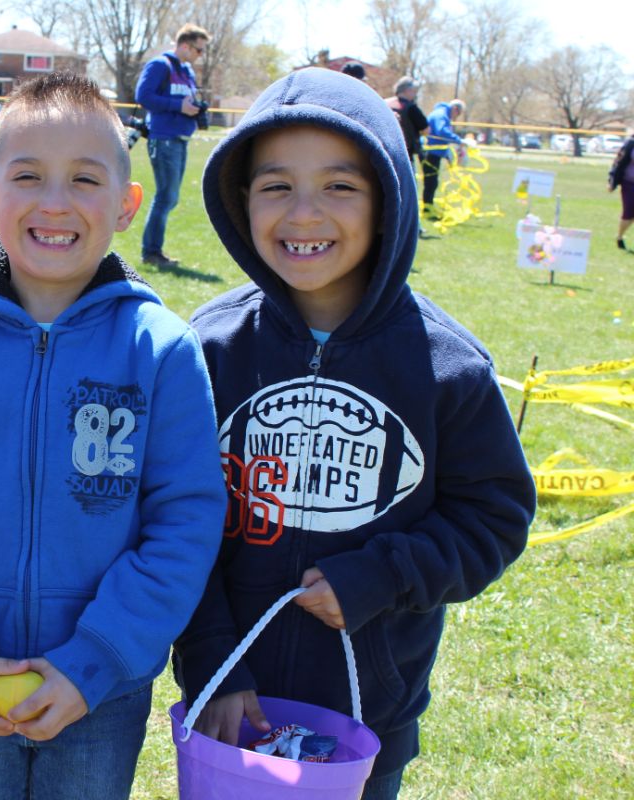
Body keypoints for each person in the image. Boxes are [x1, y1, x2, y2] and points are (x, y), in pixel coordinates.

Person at [175, 68, 535, 800]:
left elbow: (493, 518)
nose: (304, 214)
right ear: (241, 203)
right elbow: (170, 522)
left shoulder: (448, 367)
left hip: (367, 719)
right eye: (276, 186)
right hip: (228, 704)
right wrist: (215, 659)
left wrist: (382, 576)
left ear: (388, 201)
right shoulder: (205, 352)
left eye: (340, 187)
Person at [0, 71, 226, 800]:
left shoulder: (161, 349)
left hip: (103, 688)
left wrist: (95, 657)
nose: (55, 202)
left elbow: (185, 521)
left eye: (85, 180)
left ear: (128, 205)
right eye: (28, 176)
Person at [135, 23, 210, 269]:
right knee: (166, 196)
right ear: (185, 46)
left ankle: (153, 250)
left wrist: (195, 110)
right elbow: (143, 96)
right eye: (199, 50)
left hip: (180, 138)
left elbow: (184, 100)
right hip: (163, 137)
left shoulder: (187, 71)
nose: (201, 56)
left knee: (170, 197)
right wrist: (179, 107)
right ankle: (151, 252)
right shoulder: (160, 65)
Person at [385, 76, 429, 237]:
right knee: (409, 193)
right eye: (414, 91)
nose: (415, 94)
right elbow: (426, 129)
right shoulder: (411, 108)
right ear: (408, 90)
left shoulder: (385, 103)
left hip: (383, 155)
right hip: (404, 157)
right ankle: (413, 227)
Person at [421, 97, 466, 216]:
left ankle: (428, 208)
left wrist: (447, 155)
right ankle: (427, 210)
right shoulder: (442, 115)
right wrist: (458, 140)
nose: (456, 117)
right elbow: (441, 131)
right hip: (431, 154)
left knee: (432, 182)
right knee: (431, 183)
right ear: (455, 109)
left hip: (435, 154)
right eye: (458, 114)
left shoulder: (442, 114)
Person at [608, 129, 634, 250]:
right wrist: (612, 181)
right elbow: (618, 163)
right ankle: (619, 237)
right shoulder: (630, 143)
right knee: (628, 213)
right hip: (629, 183)